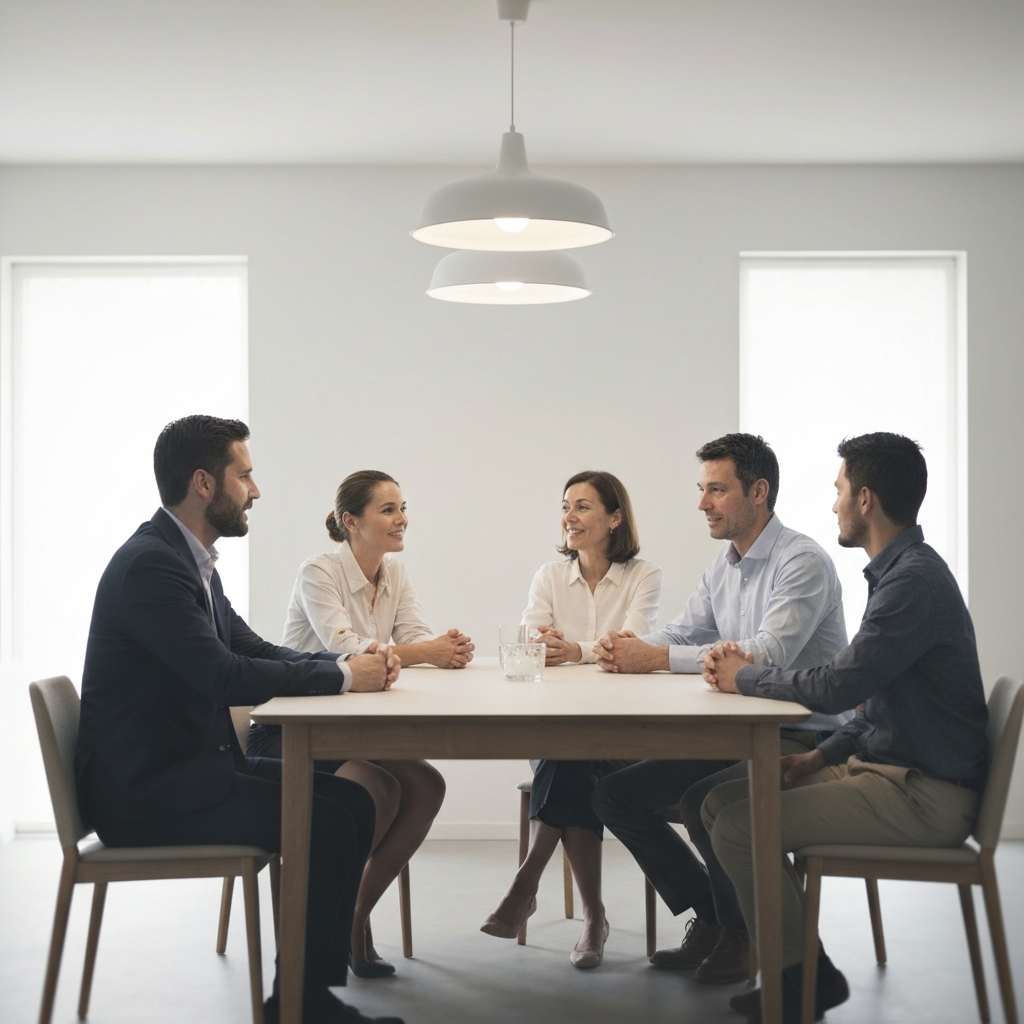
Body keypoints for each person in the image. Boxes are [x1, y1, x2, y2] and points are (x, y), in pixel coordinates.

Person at [74, 415, 403, 1024]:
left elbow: (252, 649)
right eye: (244, 475)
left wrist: (343, 662)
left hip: (188, 772)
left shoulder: (189, 560)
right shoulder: (153, 567)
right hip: (148, 795)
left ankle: (306, 996)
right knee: (330, 821)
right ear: (204, 483)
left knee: (351, 806)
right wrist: (339, 676)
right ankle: (300, 1006)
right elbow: (222, 676)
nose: (256, 490)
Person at [702, 432, 988, 1024]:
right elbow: (875, 703)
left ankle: (799, 979)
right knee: (718, 801)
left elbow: (837, 686)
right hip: (886, 769)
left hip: (921, 795)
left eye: (838, 490)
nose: (832, 503)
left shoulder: (912, 584)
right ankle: (802, 968)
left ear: (866, 500)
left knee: (737, 826)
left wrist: (747, 677)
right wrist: (817, 756)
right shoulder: (900, 575)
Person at [591, 433, 850, 984]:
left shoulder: (802, 562)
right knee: (616, 795)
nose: (702, 503)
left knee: (700, 799)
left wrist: (656, 657)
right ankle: (714, 916)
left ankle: (741, 936)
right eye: (702, 489)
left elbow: (767, 653)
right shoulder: (724, 563)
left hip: (803, 737)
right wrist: (614, 649)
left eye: (716, 490)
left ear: (758, 492)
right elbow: (684, 631)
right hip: (737, 732)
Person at [246, 470, 469, 976]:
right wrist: (425, 652)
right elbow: (342, 645)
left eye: (403, 507)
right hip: (292, 732)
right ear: (351, 521)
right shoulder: (318, 571)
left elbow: (415, 636)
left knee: (427, 784)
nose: (401, 518)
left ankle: (350, 916)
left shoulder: (395, 573)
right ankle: (337, 924)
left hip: (353, 727)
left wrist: (442, 649)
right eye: (388, 509)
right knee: (378, 787)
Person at [479, 471, 662, 968]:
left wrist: (575, 649)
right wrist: (562, 648)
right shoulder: (549, 576)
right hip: (555, 725)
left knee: (575, 757)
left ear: (615, 518)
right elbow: (534, 641)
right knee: (573, 756)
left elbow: (629, 644)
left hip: (621, 729)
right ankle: (593, 918)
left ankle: (526, 881)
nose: (570, 516)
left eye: (583, 506)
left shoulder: (643, 575)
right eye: (566, 506)